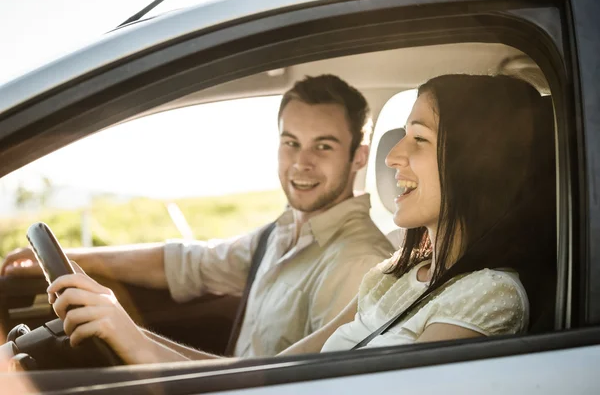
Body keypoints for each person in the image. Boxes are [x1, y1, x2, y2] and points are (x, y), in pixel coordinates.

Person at [26, 73, 558, 364]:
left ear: (473, 165)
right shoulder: (392, 274)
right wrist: (121, 323)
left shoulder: (487, 296)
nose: (394, 159)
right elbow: (263, 377)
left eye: (419, 140)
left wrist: (134, 340)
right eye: (290, 143)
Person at [1, 75, 395, 358]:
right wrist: (74, 259)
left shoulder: (358, 262)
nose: (301, 163)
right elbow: (190, 264)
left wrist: (131, 337)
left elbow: (289, 385)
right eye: (290, 143)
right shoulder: (284, 231)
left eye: (323, 147)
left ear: (358, 156)